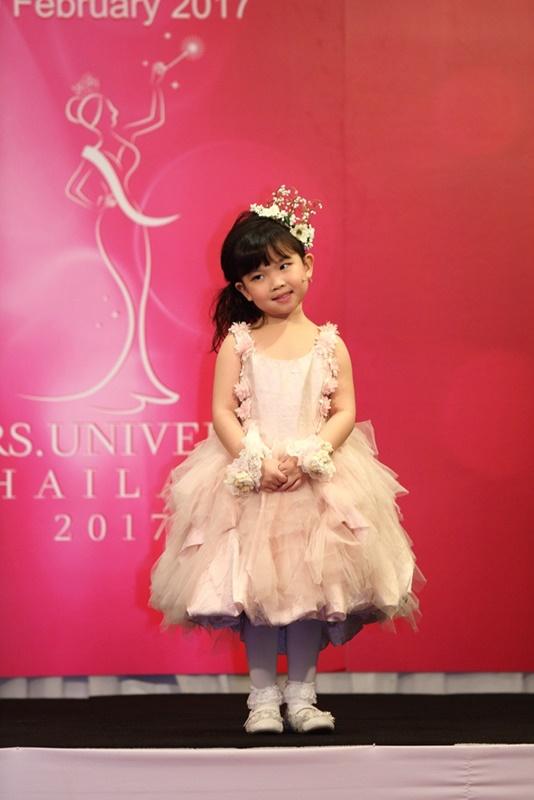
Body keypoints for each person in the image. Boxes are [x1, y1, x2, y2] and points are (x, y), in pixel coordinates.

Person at [149, 185, 426, 735]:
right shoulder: (239, 343)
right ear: (243, 289)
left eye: (284, 265)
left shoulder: (329, 343)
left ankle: (302, 696)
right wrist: (253, 457)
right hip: (253, 484)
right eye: (258, 275)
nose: (276, 281)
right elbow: (222, 411)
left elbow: (345, 409)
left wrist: (313, 452)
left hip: (313, 482)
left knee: (308, 595)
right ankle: (261, 699)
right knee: (255, 594)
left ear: (308, 265)